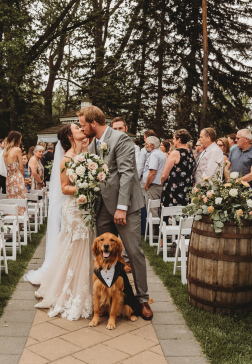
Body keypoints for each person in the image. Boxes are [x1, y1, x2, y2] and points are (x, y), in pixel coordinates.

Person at [80, 105, 152, 320]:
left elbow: (127, 173)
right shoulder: (92, 144)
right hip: (102, 207)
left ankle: (142, 299)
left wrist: (122, 207)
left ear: (93, 123)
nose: (82, 129)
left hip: (125, 206)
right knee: (105, 255)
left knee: (134, 252)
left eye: (84, 125)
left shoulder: (121, 139)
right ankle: (110, 298)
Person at [32, 124, 93, 320]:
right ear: (69, 135)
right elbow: (65, 188)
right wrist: (88, 187)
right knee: (74, 247)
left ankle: (84, 288)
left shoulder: (84, 154)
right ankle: (71, 293)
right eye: (77, 127)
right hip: (74, 209)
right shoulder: (67, 158)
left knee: (82, 247)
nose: (81, 127)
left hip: (85, 208)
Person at [161, 129, 195, 207]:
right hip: (186, 191)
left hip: (174, 191)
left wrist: (162, 184)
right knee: (183, 216)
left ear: (179, 140)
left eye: (174, 139)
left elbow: (164, 175)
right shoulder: (191, 153)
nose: (173, 142)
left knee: (171, 216)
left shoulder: (175, 153)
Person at [3, 131, 26, 215]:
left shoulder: (5, 151)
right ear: (17, 139)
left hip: (9, 179)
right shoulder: (17, 150)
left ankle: (11, 223)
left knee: (11, 200)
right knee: (20, 200)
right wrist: (23, 178)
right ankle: (19, 225)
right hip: (17, 178)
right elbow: (21, 167)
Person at [143, 136, 166, 218]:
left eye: (146, 144)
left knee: (152, 214)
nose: (145, 146)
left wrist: (146, 185)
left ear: (152, 145)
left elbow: (152, 172)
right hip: (159, 186)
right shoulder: (162, 154)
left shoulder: (154, 155)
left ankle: (153, 231)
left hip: (153, 186)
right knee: (157, 213)